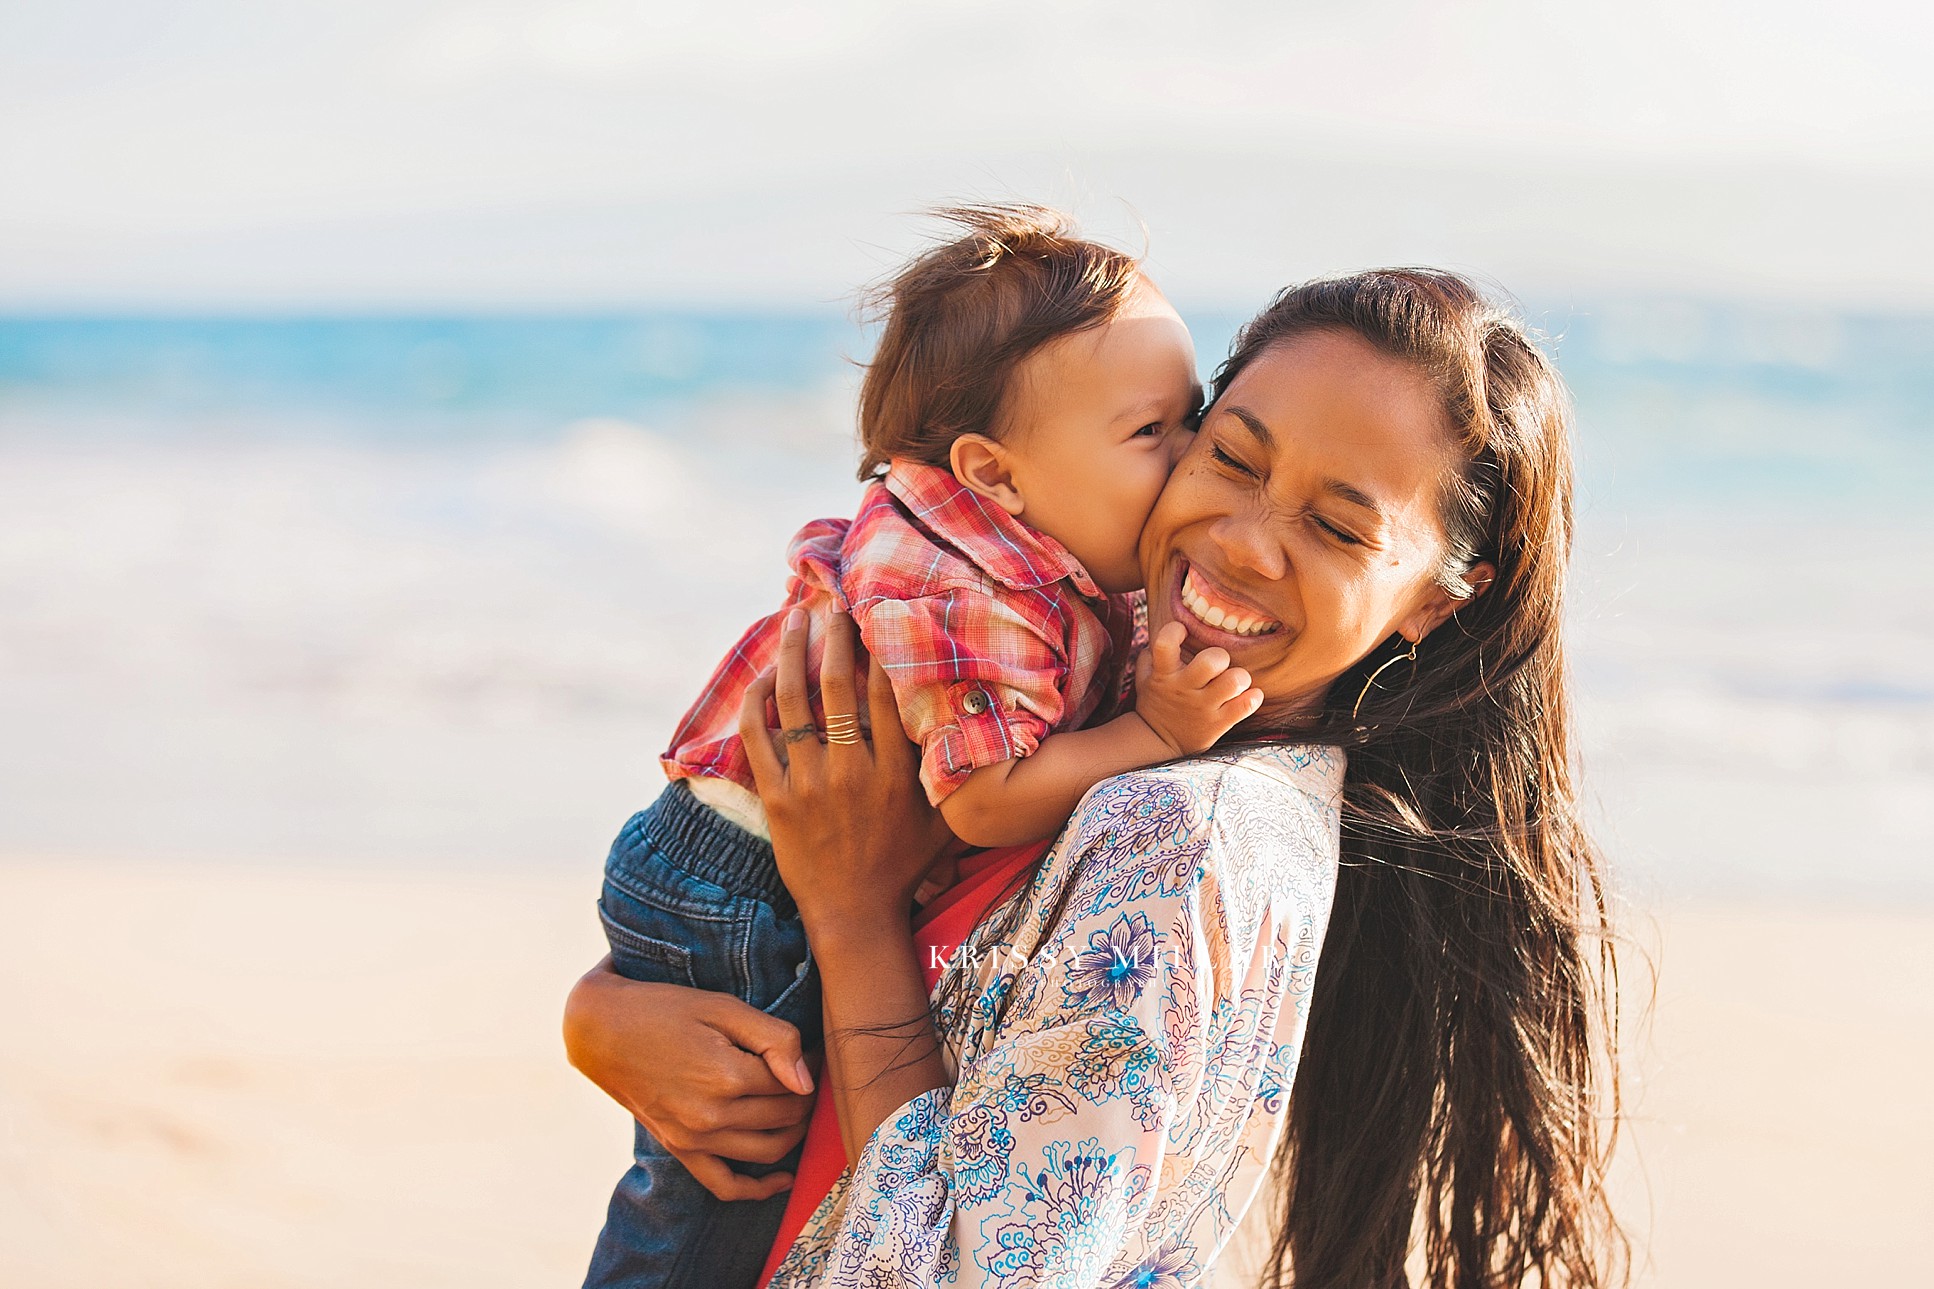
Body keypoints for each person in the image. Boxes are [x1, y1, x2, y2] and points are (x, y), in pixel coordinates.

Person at [566, 269, 1624, 1288]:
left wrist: (851, 915)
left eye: (1339, 526)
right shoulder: (1097, 680)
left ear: (1435, 601)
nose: (1245, 544)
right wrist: (611, 1010)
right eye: (1229, 457)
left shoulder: (1185, 829)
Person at [583, 204, 1266, 1289]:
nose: (1188, 463)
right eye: (1152, 434)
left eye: (1194, 420)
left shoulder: (1045, 553)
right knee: (720, 1185)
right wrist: (1155, 729)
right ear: (992, 472)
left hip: (768, 856)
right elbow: (982, 799)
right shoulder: (954, 579)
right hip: (736, 870)